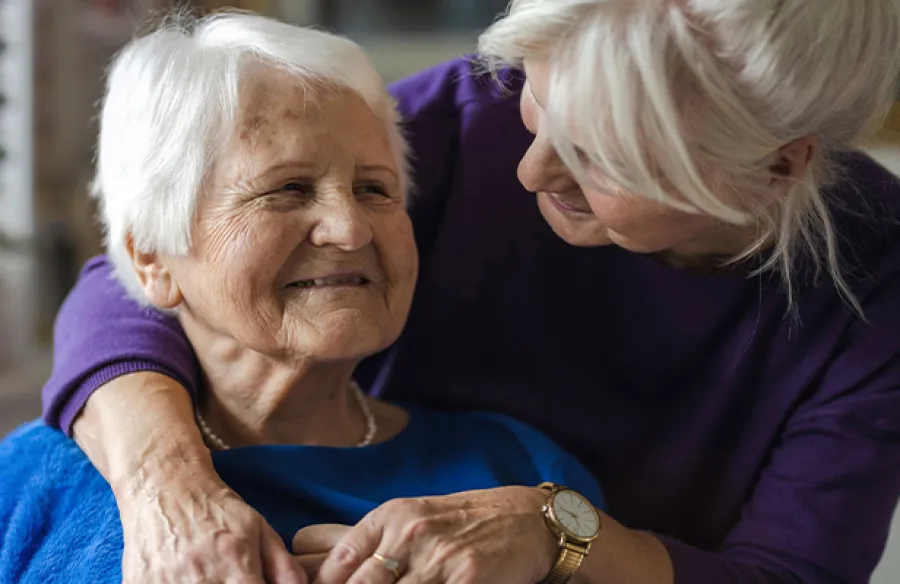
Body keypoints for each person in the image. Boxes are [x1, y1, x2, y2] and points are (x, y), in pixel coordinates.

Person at [41, 0, 900, 583]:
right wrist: (168, 492)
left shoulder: (879, 283)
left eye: (602, 156)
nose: (530, 171)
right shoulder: (473, 114)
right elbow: (148, 268)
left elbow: (791, 573)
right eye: (542, 103)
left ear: (779, 167)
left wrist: (561, 537)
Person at [0, 12, 607, 584]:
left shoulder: (526, 478)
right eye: (288, 189)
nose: (350, 229)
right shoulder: (36, 480)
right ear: (152, 258)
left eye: (374, 189)